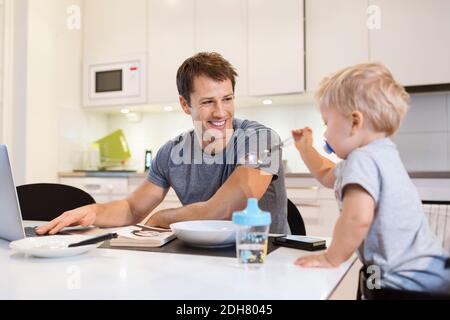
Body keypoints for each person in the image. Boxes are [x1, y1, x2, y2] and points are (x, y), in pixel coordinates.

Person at [37, 52, 288, 235]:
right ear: (184, 104)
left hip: (262, 256)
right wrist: (93, 212)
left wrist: (161, 217)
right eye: (207, 102)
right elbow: (132, 208)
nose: (221, 112)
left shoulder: (262, 139)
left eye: (228, 98)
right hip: (201, 258)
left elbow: (225, 208)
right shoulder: (171, 152)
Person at [292, 62, 450, 293]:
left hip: (408, 281)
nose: (324, 132)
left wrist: (331, 258)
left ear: (355, 122)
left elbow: (357, 218)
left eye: (327, 122)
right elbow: (327, 175)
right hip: (424, 272)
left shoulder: (362, 160)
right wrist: (306, 149)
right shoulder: (379, 153)